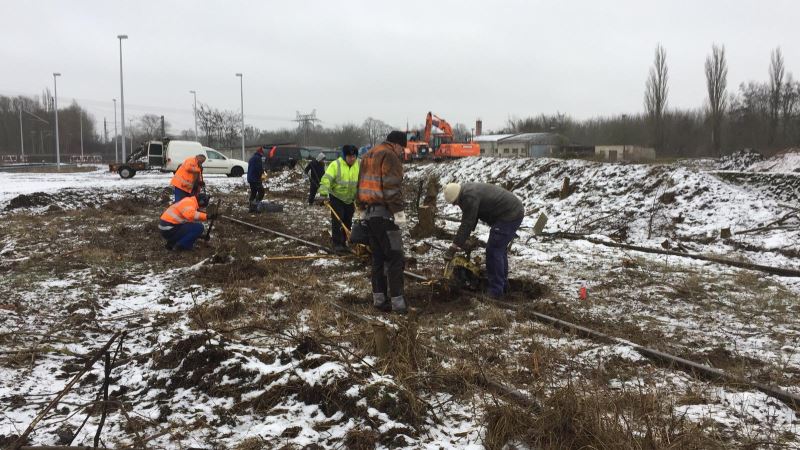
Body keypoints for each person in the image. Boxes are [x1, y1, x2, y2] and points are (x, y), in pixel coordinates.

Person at [443, 182, 524, 299]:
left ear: (457, 198)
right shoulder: (466, 190)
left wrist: (454, 247)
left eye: (455, 203)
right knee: (499, 250)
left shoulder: (469, 197)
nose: (455, 205)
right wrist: (464, 238)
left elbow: (467, 223)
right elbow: (472, 216)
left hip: (510, 215)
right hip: (513, 211)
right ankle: (503, 285)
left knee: (493, 251)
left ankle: (495, 291)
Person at [357, 131, 408, 313]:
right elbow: (391, 188)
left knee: (378, 258)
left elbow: (359, 184)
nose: (402, 152)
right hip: (385, 215)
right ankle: (398, 304)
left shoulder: (368, 155)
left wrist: (361, 208)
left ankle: (379, 300)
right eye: (402, 148)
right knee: (395, 258)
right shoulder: (390, 156)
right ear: (396, 144)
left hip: (370, 215)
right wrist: (398, 213)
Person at [319, 145, 360, 253]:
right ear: (344, 156)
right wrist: (323, 193)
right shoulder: (335, 165)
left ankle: (344, 242)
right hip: (337, 197)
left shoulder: (358, 165)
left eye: (354, 156)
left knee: (347, 221)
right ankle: (337, 243)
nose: (352, 159)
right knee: (338, 221)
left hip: (350, 199)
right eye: (349, 156)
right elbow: (326, 179)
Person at [247, 146, 267, 212]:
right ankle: (256, 206)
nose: (262, 155)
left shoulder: (252, 158)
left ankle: (251, 207)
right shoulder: (258, 158)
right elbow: (258, 169)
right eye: (262, 153)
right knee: (261, 192)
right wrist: (263, 175)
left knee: (253, 192)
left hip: (250, 178)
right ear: (260, 153)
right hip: (255, 179)